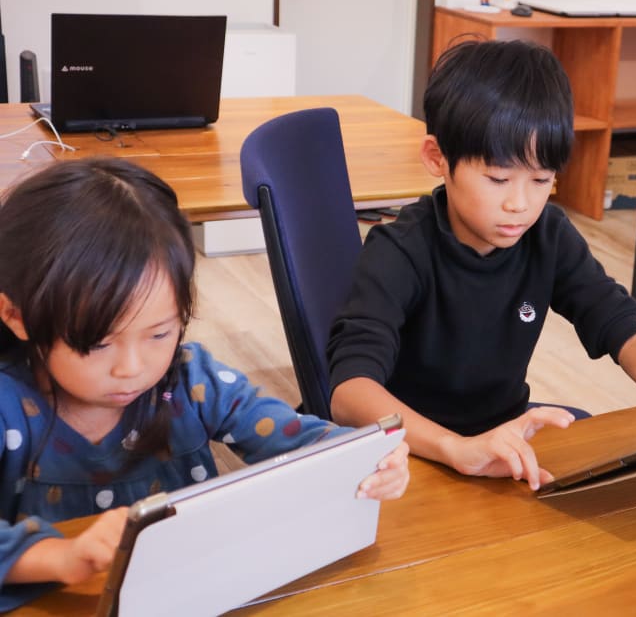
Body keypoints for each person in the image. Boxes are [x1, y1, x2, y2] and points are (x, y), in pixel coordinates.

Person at [327, 38, 636, 492]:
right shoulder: (399, 251)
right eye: (498, 178)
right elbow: (349, 393)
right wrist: (456, 448)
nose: (520, 203)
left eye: (541, 180)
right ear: (438, 158)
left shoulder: (547, 236)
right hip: (410, 454)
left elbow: (622, 327)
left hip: (503, 441)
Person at [0, 159, 410, 610]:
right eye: (98, 343)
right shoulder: (9, 407)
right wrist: (62, 557)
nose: (132, 368)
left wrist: (368, 458)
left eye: (160, 334)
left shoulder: (192, 380)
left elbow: (294, 436)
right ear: (17, 316)